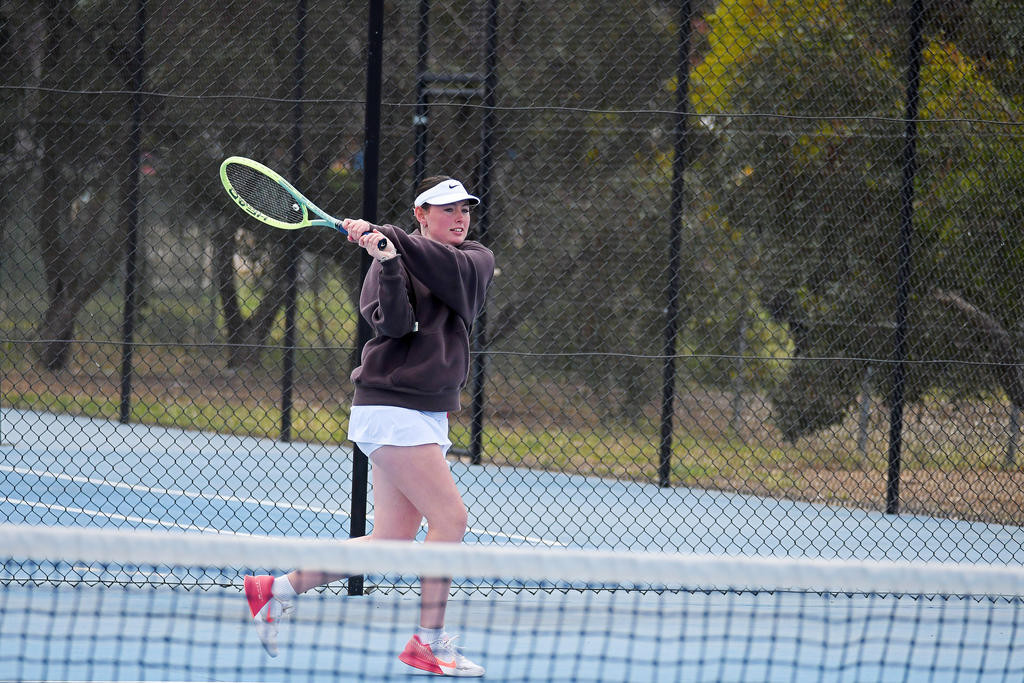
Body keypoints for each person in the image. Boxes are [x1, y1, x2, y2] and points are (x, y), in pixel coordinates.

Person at [243, 175, 495, 678]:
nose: (459, 217)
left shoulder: (474, 260)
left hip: (424, 412)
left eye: (464, 208)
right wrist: (388, 262)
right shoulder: (392, 257)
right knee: (452, 520)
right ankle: (428, 642)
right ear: (421, 213)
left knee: (392, 537)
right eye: (446, 210)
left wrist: (392, 241)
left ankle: (276, 590)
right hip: (390, 408)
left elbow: (449, 277)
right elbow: (396, 326)